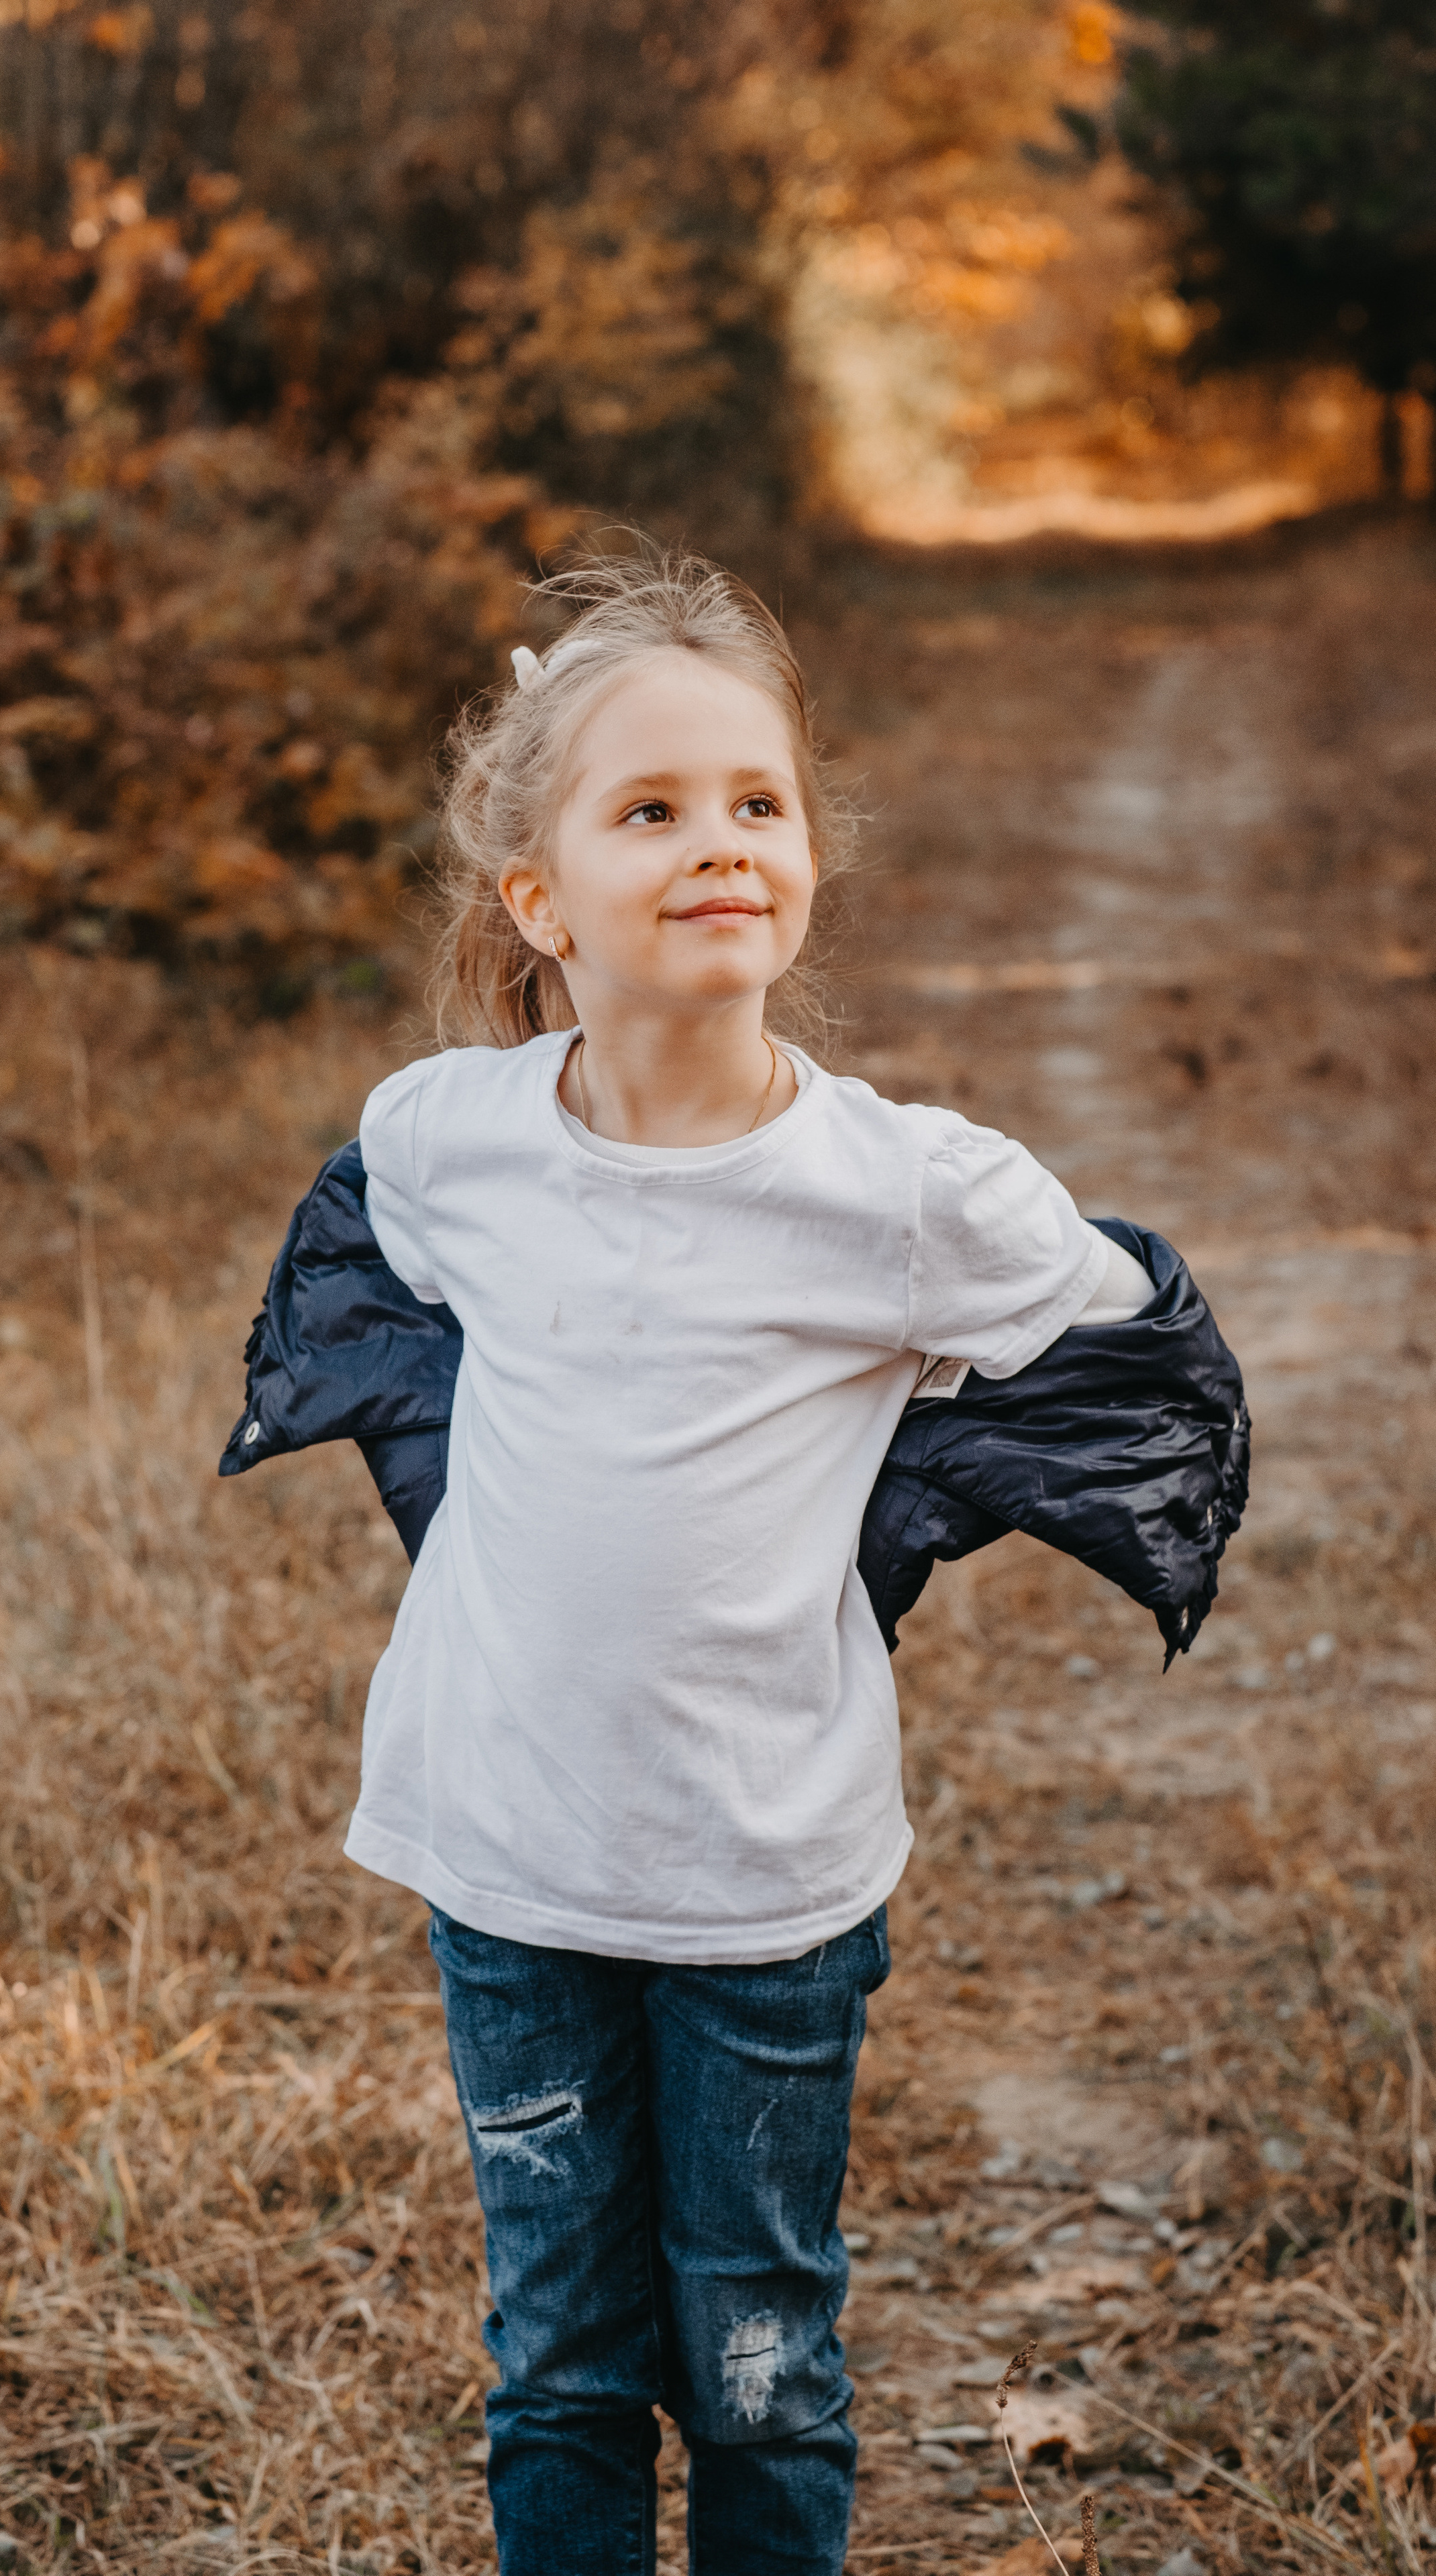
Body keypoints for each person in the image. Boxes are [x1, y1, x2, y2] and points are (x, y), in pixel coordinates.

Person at [242, 549, 1168, 2573]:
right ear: (543, 903)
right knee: (563, 2361)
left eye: (757, 801)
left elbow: (1122, 1338)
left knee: (761, 2359)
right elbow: (368, 1287)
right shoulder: (441, 1140)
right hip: (507, 1860)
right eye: (650, 810)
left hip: (770, 1879)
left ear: (810, 852)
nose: (719, 843)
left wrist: (912, 1494)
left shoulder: (905, 1193)